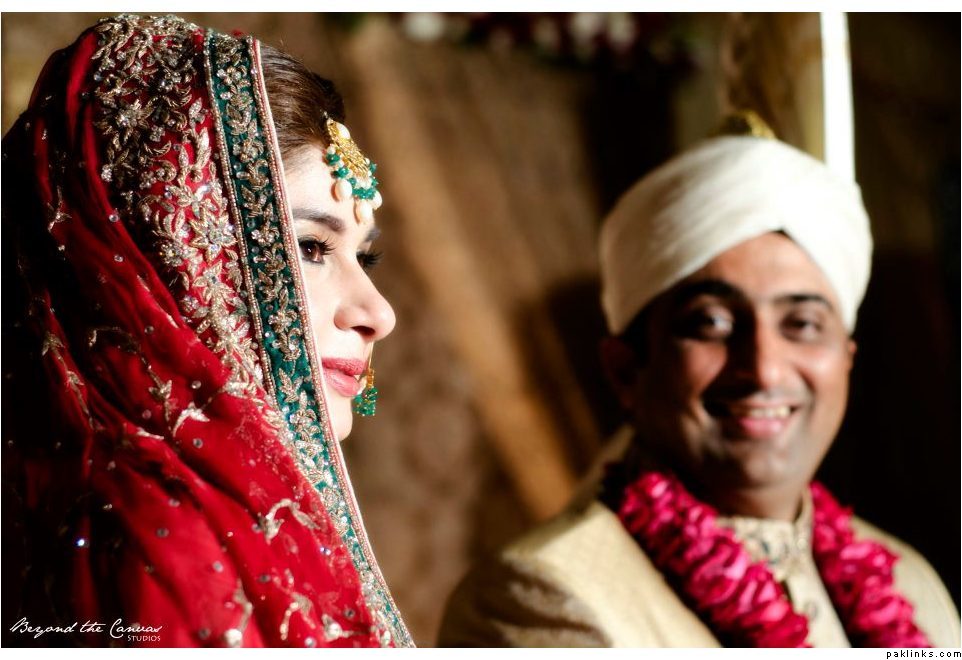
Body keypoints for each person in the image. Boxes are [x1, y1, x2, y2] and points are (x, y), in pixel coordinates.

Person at [437, 121, 961, 648]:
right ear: (625, 369)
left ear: (846, 360)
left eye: (802, 324)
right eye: (711, 323)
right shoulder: (538, 598)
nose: (764, 370)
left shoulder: (912, 586)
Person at [2, 14, 412, 647]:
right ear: (162, 261)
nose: (378, 313)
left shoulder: (237, 509)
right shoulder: (149, 534)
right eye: (309, 247)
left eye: (366, 257)